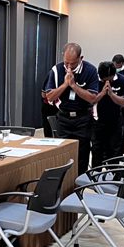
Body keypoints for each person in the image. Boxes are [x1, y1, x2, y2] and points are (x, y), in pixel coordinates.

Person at [45, 42, 99, 174]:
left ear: (81, 58)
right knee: (63, 152)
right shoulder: (56, 70)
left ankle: (79, 182)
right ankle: (64, 181)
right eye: (66, 63)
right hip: (63, 117)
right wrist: (65, 84)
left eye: (73, 64)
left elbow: (93, 98)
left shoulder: (90, 70)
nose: (69, 67)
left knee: (82, 153)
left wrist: (74, 85)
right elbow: (49, 97)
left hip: (83, 118)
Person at [91, 61, 124, 168]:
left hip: (115, 121)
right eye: (104, 80)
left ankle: (112, 173)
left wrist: (111, 94)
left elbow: (123, 103)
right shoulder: (94, 79)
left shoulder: (121, 80)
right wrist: (102, 93)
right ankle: (96, 173)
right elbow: (91, 100)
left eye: (110, 79)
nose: (107, 82)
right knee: (97, 149)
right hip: (97, 120)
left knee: (114, 150)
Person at [40, 71, 59, 138]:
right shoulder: (53, 73)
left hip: (61, 107)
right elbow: (44, 94)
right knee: (49, 132)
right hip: (50, 106)